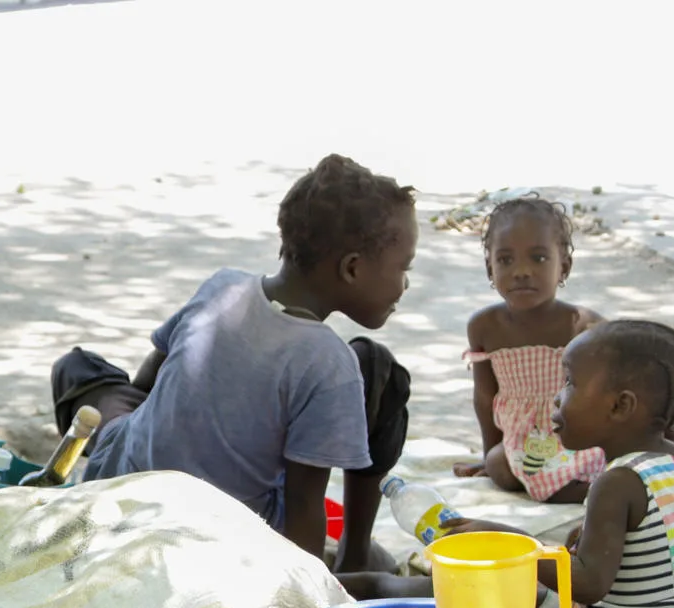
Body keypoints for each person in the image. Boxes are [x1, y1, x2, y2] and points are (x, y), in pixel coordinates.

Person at [51, 154, 418, 570]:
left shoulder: (222, 286)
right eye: (404, 268)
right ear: (352, 268)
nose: (405, 284)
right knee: (377, 369)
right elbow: (303, 509)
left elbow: (150, 384)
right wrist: (306, 602)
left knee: (78, 368)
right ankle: (354, 557)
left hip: (122, 485)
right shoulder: (329, 364)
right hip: (221, 538)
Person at [347, 321, 674, 608]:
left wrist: (512, 545)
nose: (556, 399)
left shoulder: (617, 482)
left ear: (620, 406)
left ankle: (367, 588)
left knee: (482, 591)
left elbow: (587, 586)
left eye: (569, 383)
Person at [451, 195, 607, 503]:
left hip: (572, 438)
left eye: (537, 258)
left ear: (564, 266)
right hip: (522, 443)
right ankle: (565, 487)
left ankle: (594, 491)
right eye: (505, 260)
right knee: (498, 463)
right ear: (489, 268)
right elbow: (485, 397)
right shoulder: (484, 326)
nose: (521, 271)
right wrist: (488, 454)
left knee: (591, 462)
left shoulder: (584, 326)